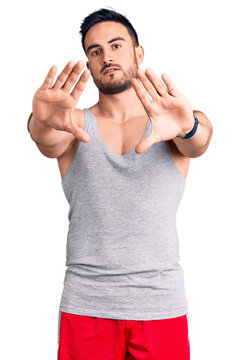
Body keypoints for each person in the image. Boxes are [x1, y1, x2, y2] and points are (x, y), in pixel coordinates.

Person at [27, 7, 213, 360]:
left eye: (116, 45)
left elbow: (198, 140)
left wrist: (187, 126)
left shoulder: (174, 119)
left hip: (160, 305)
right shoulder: (73, 125)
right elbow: (46, 139)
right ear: (88, 62)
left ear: (138, 53)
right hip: (87, 305)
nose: (106, 56)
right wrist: (40, 121)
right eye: (95, 51)